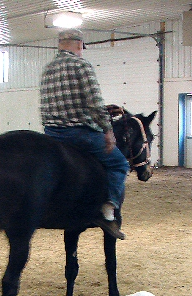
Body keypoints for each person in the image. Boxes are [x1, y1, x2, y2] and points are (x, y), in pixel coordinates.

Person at [40, 29, 129, 239]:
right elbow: (95, 104)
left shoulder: (48, 69)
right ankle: (107, 210)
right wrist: (108, 130)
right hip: (79, 134)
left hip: (51, 133)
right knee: (119, 163)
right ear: (79, 44)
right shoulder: (82, 65)